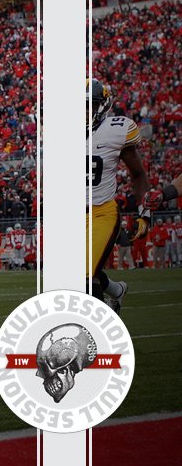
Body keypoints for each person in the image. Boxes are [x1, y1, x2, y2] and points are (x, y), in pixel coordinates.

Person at [86, 78, 149, 313]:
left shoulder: (116, 130)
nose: (83, 111)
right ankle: (116, 290)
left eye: (88, 105)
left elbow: (138, 175)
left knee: (85, 278)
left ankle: (102, 338)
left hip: (101, 212)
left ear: (102, 105)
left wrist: (145, 212)